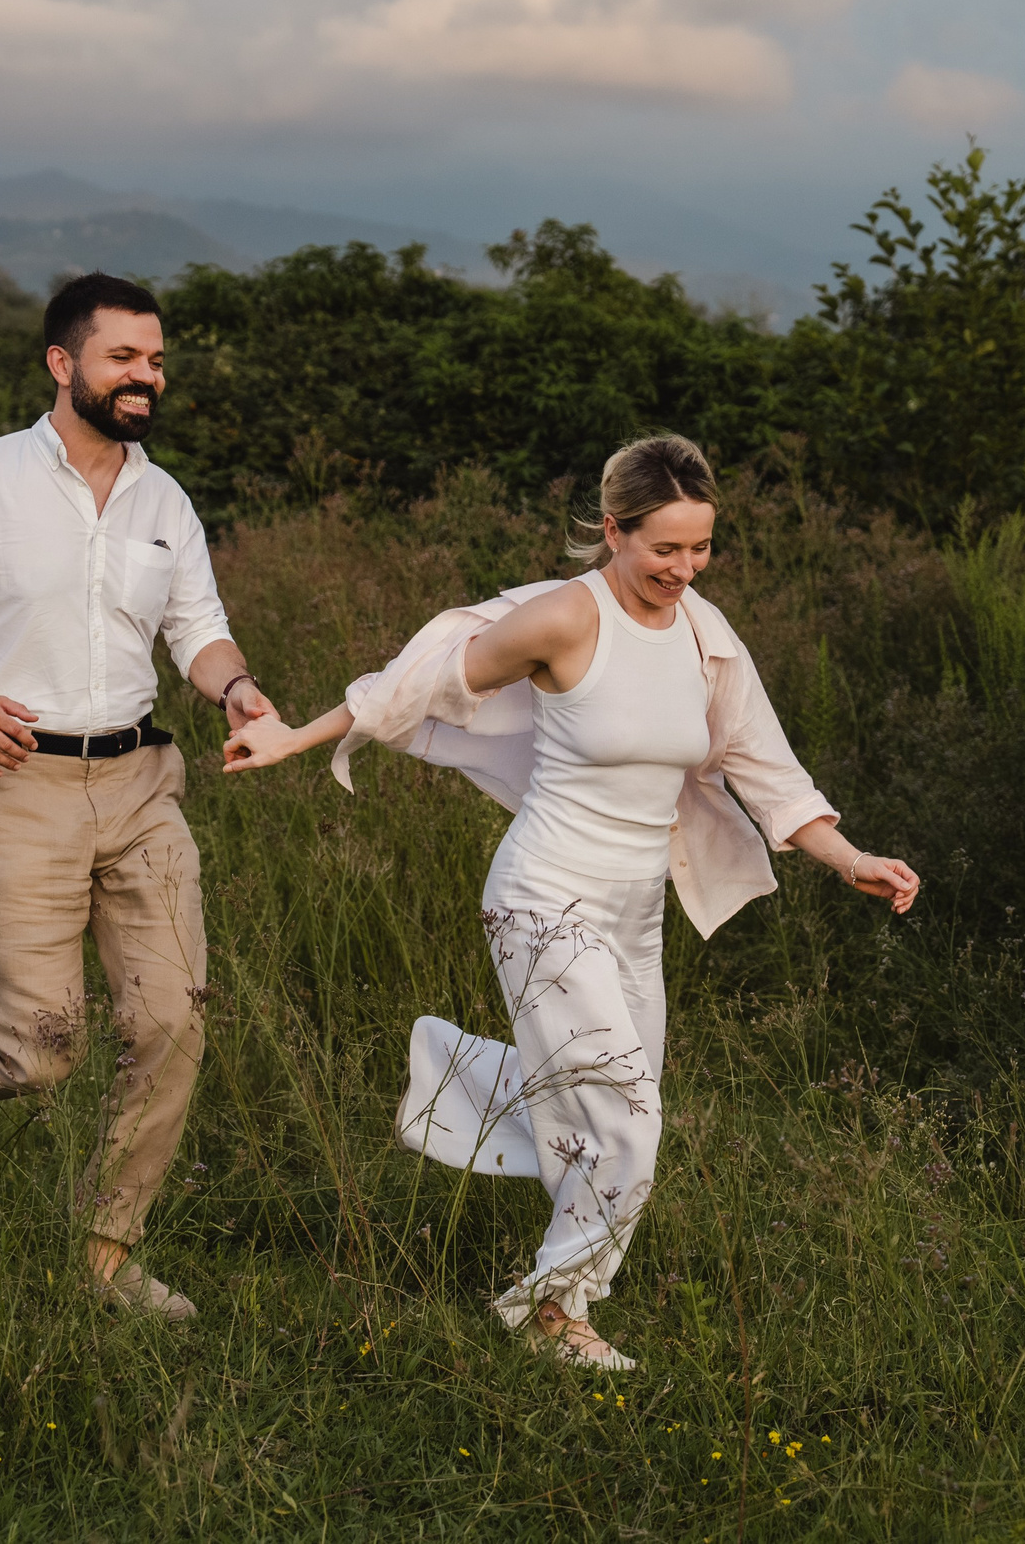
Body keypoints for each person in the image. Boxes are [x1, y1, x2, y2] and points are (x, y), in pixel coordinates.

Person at [222, 434, 917, 1368]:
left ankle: (457, 1094)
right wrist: (295, 738)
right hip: (542, 894)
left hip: (636, 915)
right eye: (663, 548)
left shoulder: (708, 641)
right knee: (627, 1113)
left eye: (701, 547)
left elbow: (766, 767)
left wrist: (848, 856)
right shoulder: (563, 619)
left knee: (624, 1104)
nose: (685, 568)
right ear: (613, 530)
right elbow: (420, 680)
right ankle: (554, 1313)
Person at [0, 272, 272, 1321]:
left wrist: (235, 687)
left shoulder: (163, 499)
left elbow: (195, 630)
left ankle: (103, 1254)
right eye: (124, 357)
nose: (147, 376)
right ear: (62, 364)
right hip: (14, 783)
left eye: (157, 359)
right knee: (38, 1052)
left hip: (141, 784)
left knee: (172, 1022)